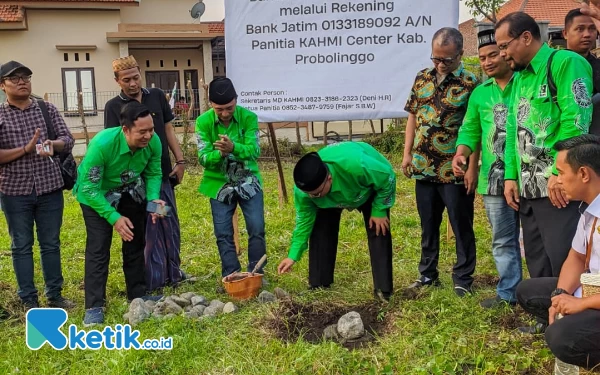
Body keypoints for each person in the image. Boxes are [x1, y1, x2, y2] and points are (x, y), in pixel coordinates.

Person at [495, 12, 593, 280]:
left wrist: (557, 174)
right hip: (528, 188)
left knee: (563, 256)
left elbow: (576, 122)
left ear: (526, 37)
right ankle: (544, 317)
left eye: (504, 45)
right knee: (537, 257)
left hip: (558, 188)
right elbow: (514, 128)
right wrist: (511, 176)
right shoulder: (520, 78)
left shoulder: (564, 63)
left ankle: (567, 318)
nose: (502, 53)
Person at [402, 27, 480, 297]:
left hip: (453, 169)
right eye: (436, 58)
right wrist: (407, 153)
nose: (440, 64)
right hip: (423, 166)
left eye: (446, 60)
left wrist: (472, 167)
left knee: (461, 224)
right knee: (428, 224)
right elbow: (413, 116)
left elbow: (475, 128)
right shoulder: (422, 77)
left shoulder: (471, 83)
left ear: (460, 54)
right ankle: (427, 274)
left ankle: (463, 277)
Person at [76, 102, 165, 326]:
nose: (148, 136)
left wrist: (153, 198)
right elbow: (89, 188)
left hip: (130, 190)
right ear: (125, 129)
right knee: (98, 248)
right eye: (142, 131)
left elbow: (154, 171)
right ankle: (94, 306)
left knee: (136, 241)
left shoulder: (154, 141)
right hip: (97, 195)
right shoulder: (102, 144)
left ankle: (138, 294)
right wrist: (114, 218)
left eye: (151, 129)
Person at [516, 134, 600, 369]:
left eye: (561, 173)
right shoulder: (589, 210)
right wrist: (561, 294)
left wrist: (581, 304)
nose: (556, 180)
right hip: (592, 287)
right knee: (528, 291)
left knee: (562, 337)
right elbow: (577, 256)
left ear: (583, 174)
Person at [453, 29, 522, 308]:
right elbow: (469, 129)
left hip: (531, 176)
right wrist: (462, 153)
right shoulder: (480, 94)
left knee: (538, 240)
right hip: (493, 179)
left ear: (506, 52)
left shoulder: (526, 82)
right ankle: (509, 293)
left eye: (493, 54)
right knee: (503, 240)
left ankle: (545, 294)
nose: (487, 62)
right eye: (482, 58)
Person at [104, 56, 186, 291]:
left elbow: (168, 129)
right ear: (117, 81)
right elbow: (114, 144)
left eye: (136, 77)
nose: (132, 84)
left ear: (141, 73)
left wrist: (179, 161)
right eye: (126, 80)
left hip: (159, 174)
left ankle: (173, 270)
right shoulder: (113, 106)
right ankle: (153, 276)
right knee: (147, 227)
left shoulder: (157, 95)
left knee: (167, 221)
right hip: (132, 182)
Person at [277, 142, 396, 301]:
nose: (313, 198)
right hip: (331, 197)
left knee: (378, 229)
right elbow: (304, 222)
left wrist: (380, 208)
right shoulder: (306, 192)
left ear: (329, 178)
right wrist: (293, 255)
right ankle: (319, 283)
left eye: (317, 194)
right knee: (320, 229)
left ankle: (383, 290)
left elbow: (387, 177)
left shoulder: (358, 165)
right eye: (309, 195)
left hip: (367, 188)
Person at [0, 61, 75, 311]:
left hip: (49, 188)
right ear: (3, 86)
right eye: (15, 78)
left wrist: (54, 145)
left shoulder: (46, 109)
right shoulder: (0, 115)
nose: (22, 81)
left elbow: (68, 139)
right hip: (14, 191)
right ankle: (28, 299)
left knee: (50, 243)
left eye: (26, 77)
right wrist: (25, 149)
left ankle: (55, 295)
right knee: (21, 245)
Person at [195, 77, 266, 280]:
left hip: (248, 181)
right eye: (219, 110)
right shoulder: (203, 122)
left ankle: (257, 272)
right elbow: (203, 158)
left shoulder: (249, 118)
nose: (225, 114)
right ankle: (231, 274)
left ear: (236, 100)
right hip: (218, 184)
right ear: (211, 105)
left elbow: (254, 151)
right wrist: (221, 154)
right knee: (223, 233)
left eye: (230, 108)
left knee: (256, 228)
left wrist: (233, 147)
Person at [563, 8, 600, 135]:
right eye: (580, 29)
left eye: (592, 28)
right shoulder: (554, 66)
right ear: (565, 33)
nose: (587, 34)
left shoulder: (597, 65)